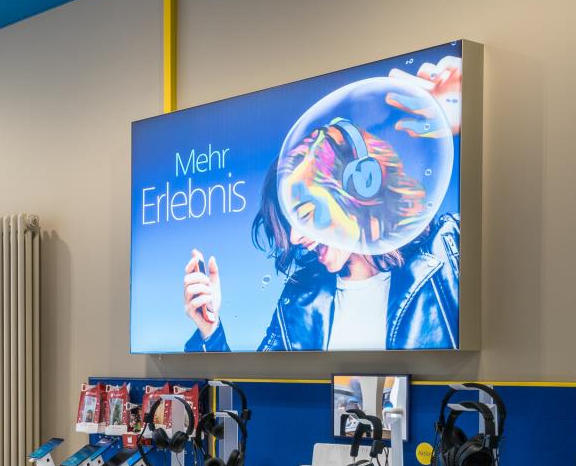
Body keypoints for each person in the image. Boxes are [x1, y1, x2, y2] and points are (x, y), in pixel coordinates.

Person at [182, 58, 463, 352]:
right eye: (289, 222)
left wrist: (473, 117)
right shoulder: (300, 299)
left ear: (360, 186)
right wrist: (210, 331)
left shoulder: (450, 249)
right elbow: (259, 381)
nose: (294, 237)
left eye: (305, 212)